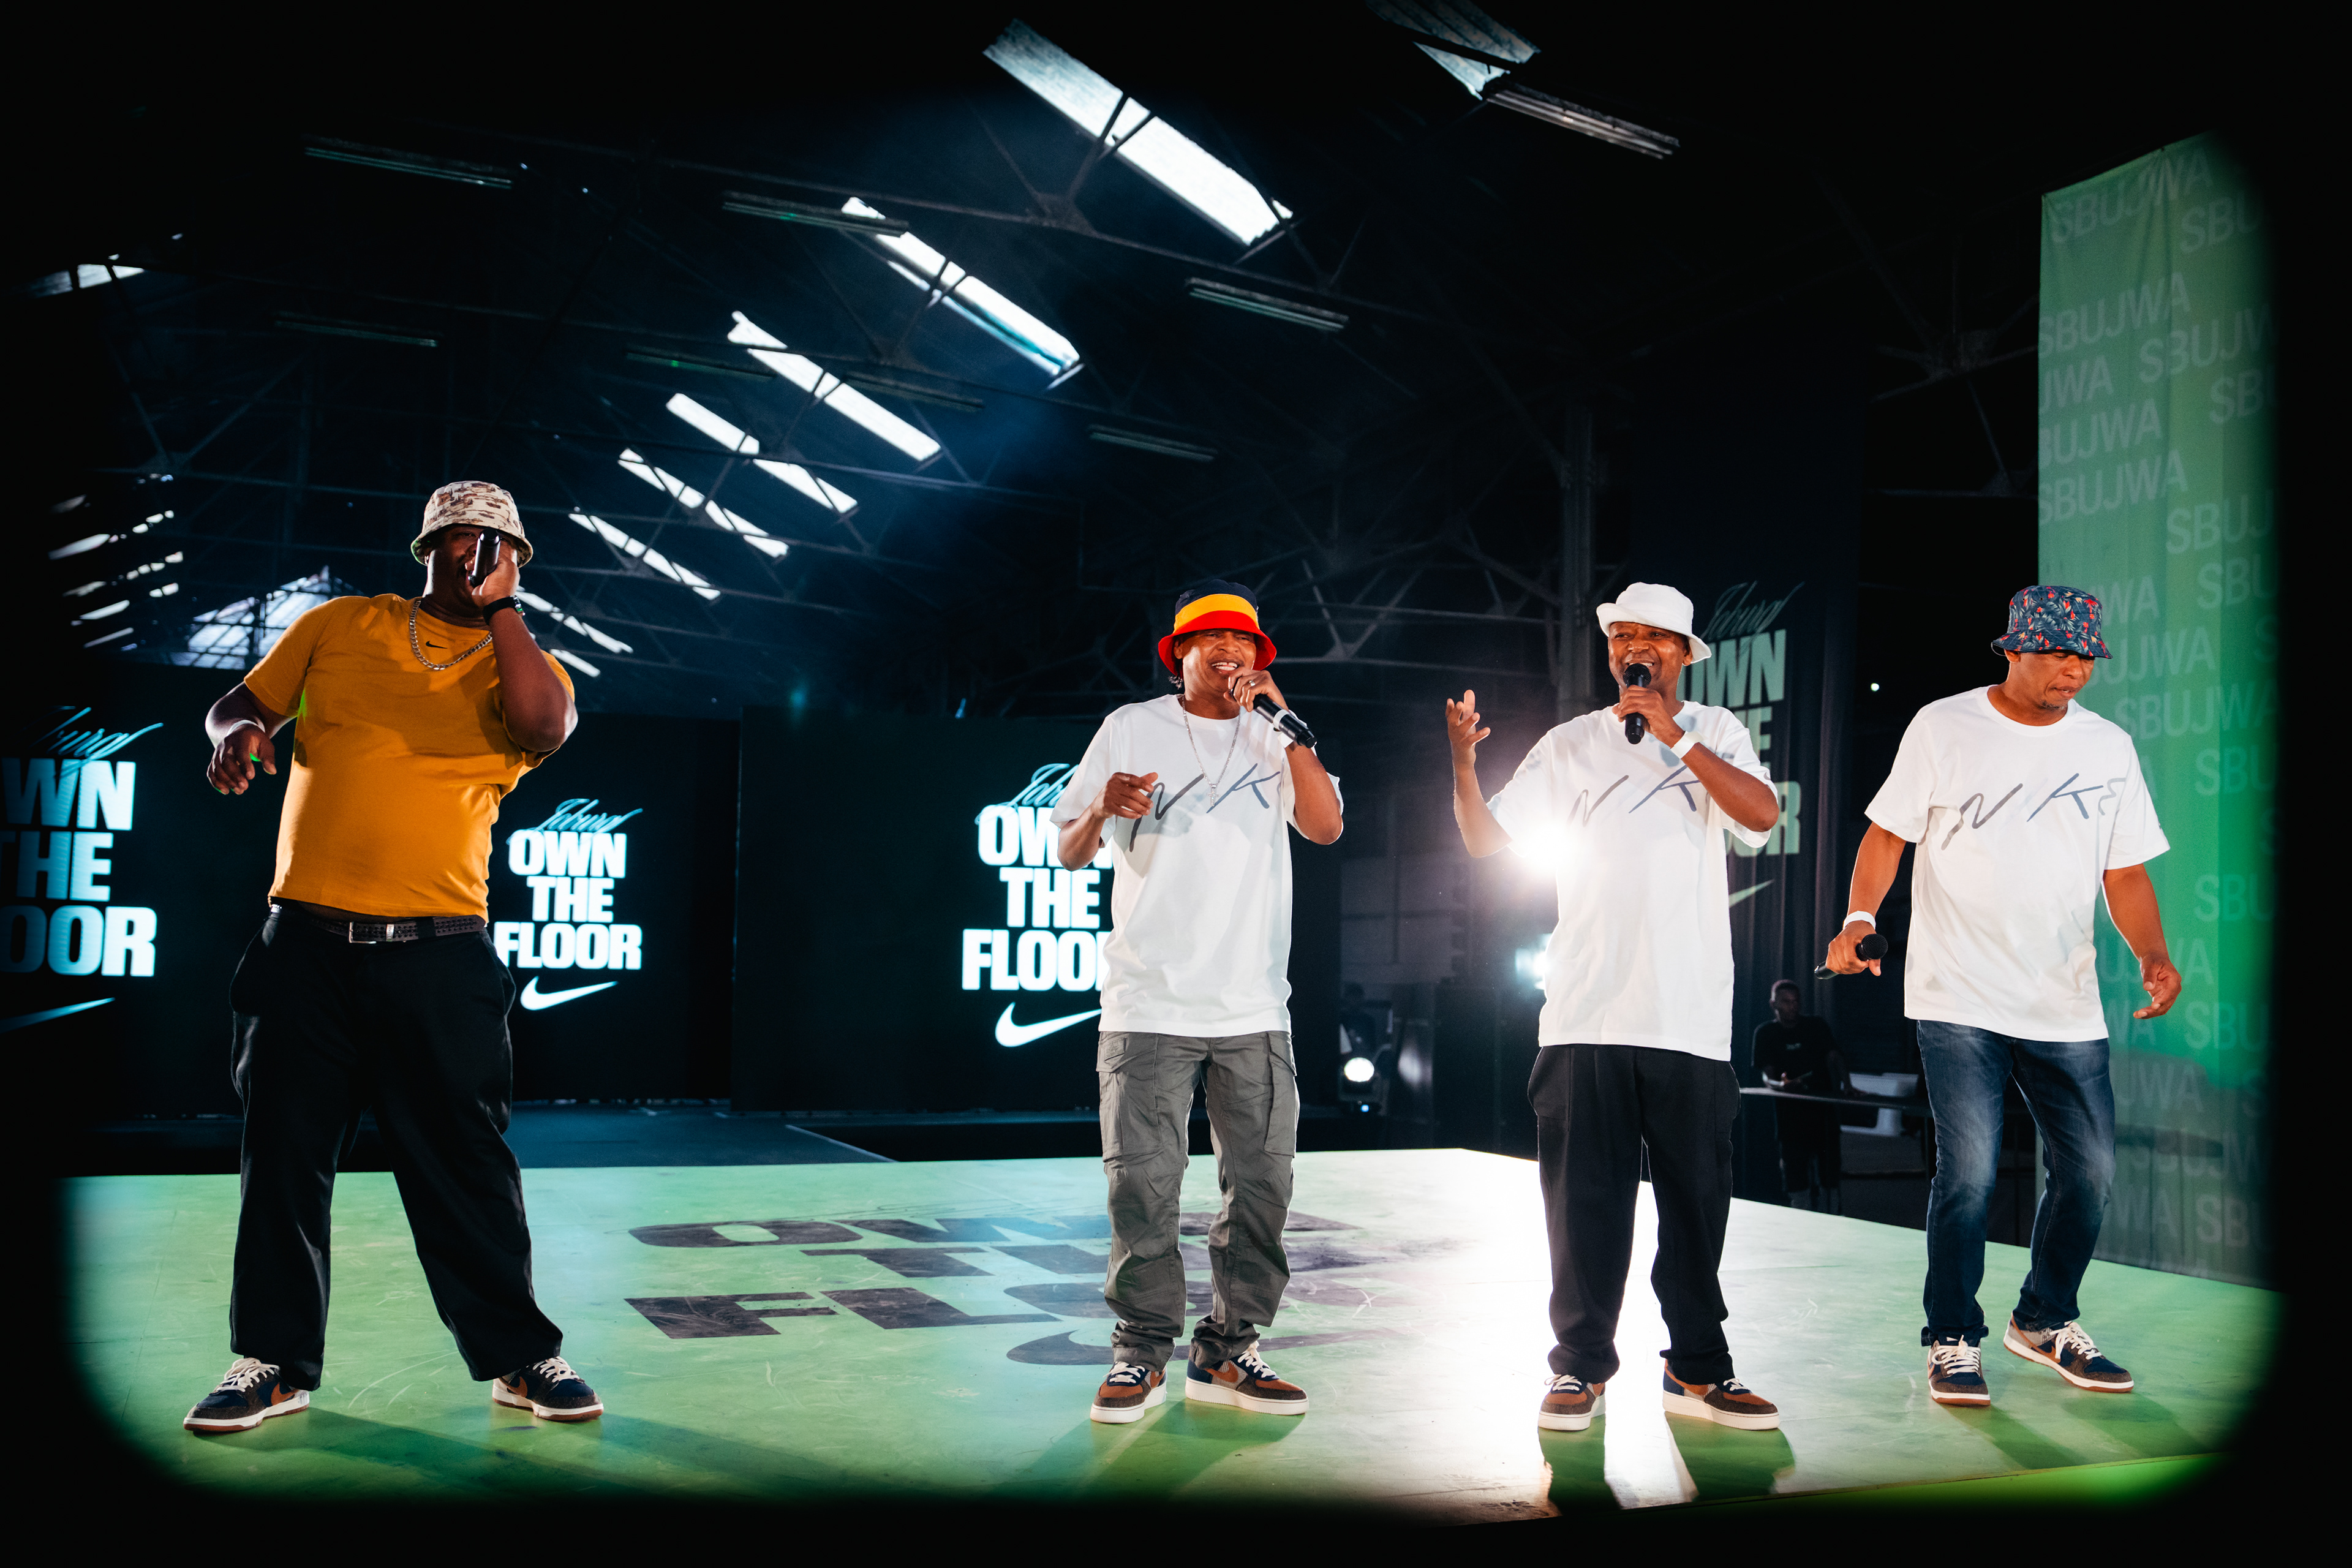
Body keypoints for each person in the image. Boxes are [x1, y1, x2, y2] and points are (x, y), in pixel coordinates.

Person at [181, 481, 603, 1433]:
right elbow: (237, 706)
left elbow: (546, 728)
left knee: (467, 1169)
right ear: (428, 546)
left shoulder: (522, 665)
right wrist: (240, 732)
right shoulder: (340, 625)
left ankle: (519, 1357)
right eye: (460, 537)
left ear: (515, 561)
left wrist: (502, 610)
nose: (474, 552)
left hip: (439, 956)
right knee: (283, 1161)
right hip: (305, 946)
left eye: (494, 542)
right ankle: (271, 1363)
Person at [1823, 585, 2178, 1408]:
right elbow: (1888, 833)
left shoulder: (2109, 746)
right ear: (2014, 648)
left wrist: (2153, 953)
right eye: (2057, 653)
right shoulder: (1944, 726)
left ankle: (2044, 1318)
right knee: (1971, 1175)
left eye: (2085, 657)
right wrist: (1859, 916)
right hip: (1958, 993)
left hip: (2064, 1001)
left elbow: (2124, 870)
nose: (2073, 670)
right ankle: (1952, 1335)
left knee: (2091, 1173)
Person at [1449, 582, 1787, 1436]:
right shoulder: (1571, 744)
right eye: (1621, 636)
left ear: (1683, 653)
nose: (1634, 648)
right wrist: (1462, 765)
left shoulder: (1718, 730)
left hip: (1687, 1015)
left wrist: (1676, 738)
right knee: (1584, 1208)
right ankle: (1579, 1365)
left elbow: (1760, 815)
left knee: (1696, 1207)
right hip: (1587, 1014)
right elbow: (1487, 839)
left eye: (1653, 637)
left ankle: (1698, 1366)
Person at [1050, 580, 1343, 1424]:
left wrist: (1287, 729)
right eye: (1211, 638)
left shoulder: (1276, 737)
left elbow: (1325, 826)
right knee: (1143, 1190)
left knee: (1262, 1189)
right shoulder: (1130, 726)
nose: (1230, 651)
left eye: (1244, 640)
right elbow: (1070, 849)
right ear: (1179, 654)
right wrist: (1101, 807)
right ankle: (1140, 1354)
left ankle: (1229, 1350)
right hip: (1149, 1004)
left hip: (1254, 1008)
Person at [1751, 980, 1849, 1212]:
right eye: (1786, 1002)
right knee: (1796, 1178)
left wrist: (1848, 1085)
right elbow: (1767, 1076)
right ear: (1774, 1004)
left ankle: (1833, 1219)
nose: (1792, 1006)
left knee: (1830, 1177)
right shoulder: (1766, 1033)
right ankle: (1800, 1220)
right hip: (1790, 1119)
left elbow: (1834, 1056)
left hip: (1823, 1115)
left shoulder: (1816, 1026)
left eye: (1796, 1001)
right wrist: (1782, 1085)